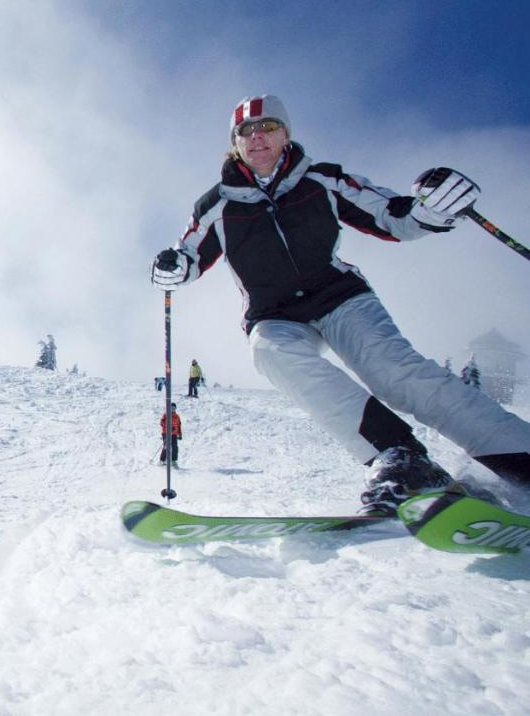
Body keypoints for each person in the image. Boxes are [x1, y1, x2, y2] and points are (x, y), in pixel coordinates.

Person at [150, 94, 530, 513]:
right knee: (271, 353)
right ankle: (401, 458)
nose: (257, 137)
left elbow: (392, 216)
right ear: (235, 143)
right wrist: (174, 267)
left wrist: (432, 211)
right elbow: (187, 256)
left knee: (394, 372)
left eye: (269, 127)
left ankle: (518, 455)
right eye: (246, 131)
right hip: (274, 313)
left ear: (286, 135)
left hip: (340, 297)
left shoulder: (322, 179)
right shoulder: (217, 204)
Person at [159, 403, 183, 467]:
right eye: (171, 408)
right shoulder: (166, 415)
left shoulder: (177, 416)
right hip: (166, 433)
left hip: (174, 434)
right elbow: (162, 423)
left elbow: (179, 426)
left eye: (174, 408)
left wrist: (180, 434)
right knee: (166, 446)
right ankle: (162, 460)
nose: (172, 409)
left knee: (175, 447)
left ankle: (173, 461)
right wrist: (169, 427)